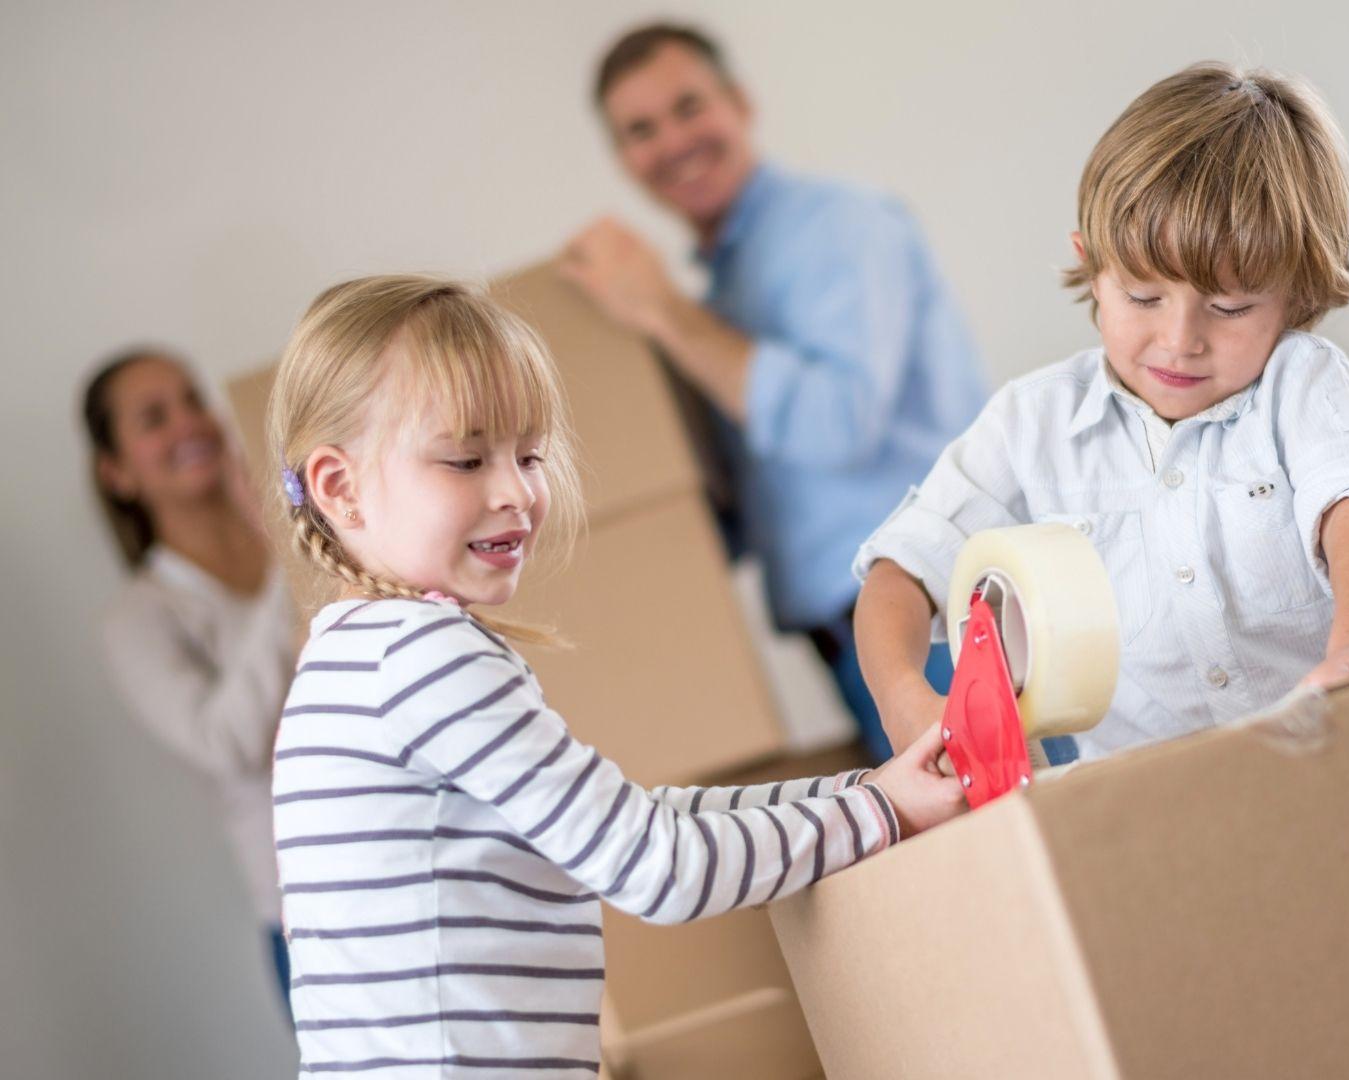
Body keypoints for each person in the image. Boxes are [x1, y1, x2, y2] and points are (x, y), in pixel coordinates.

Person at [264, 274, 962, 1075]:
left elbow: (632, 821)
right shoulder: (422, 656)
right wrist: (881, 815)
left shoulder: (351, 657)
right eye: (464, 460)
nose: (517, 492)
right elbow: (655, 867)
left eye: (529, 455)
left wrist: (862, 792)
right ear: (339, 488)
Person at [853, 64, 1349, 763]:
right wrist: (905, 698)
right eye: (1142, 296)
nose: (1180, 339)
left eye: (1230, 308)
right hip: (1154, 809)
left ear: (1297, 298)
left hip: (1336, 755)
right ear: (1093, 268)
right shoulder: (1029, 425)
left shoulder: (1302, 387)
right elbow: (901, 571)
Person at [559, 23, 987, 763]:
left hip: (935, 619)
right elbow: (755, 512)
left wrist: (662, 309)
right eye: (641, 130)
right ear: (624, 159)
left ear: (741, 103)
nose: (672, 141)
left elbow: (834, 425)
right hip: (849, 643)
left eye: (689, 107)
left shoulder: (839, 228)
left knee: (1023, 851)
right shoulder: (725, 293)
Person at [85, 348, 296, 1011]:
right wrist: (290, 564)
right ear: (116, 472)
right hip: (315, 925)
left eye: (193, 400)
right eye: (154, 418)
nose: (188, 425)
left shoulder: (310, 532)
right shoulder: (140, 617)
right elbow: (226, 744)